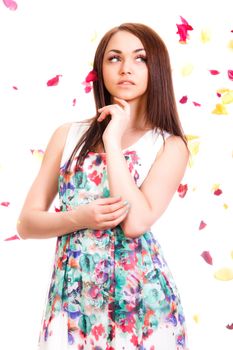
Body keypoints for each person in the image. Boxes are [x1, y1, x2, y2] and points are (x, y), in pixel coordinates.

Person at [17, 22, 189, 350]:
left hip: (142, 308)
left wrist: (112, 138)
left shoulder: (169, 145)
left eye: (140, 59)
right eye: (114, 58)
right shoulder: (67, 136)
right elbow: (26, 223)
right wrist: (80, 218)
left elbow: (136, 222)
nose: (126, 68)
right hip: (72, 307)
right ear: (100, 68)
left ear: (158, 69)